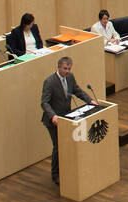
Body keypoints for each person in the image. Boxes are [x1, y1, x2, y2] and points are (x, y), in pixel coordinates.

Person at [39, 55, 95, 185]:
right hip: (53, 120)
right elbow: (44, 103)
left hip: (67, 118)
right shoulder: (50, 82)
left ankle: (66, 168)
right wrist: (53, 116)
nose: (67, 71)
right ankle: (55, 174)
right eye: (65, 68)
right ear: (58, 67)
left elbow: (77, 90)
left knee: (67, 145)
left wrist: (90, 100)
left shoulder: (70, 77)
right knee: (58, 146)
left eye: (69, 68)